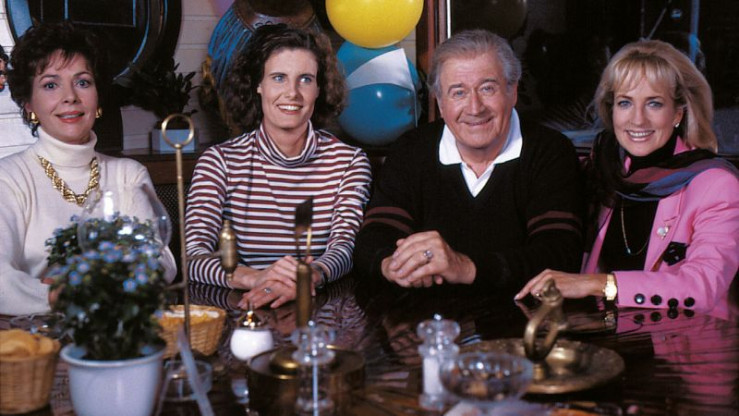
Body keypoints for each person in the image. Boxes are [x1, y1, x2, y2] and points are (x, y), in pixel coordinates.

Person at [516, 40, 739, 317]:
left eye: (654, 104)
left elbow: (701, 288)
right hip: (603, 327)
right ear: (611, 110)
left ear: (678, 113)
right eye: (625, 103)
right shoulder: (604, 169)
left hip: (686, 337)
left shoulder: (717, 185)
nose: (637, 120)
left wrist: (599, 284)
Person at [352, 29, 584, 294]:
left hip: (522, 314)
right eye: (458, 92)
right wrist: (392, 266)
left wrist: (465, 268)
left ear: (512, 91)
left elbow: (560, 255)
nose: (475, 108)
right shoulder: (411, 150)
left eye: (487, 88)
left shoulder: (550, 151)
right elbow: (375, 237)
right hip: (424, 313)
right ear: (440, 103)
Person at [185, 24, 372, 309]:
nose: (292, 93)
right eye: (279, 78)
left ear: (319, 88)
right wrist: (255, 278)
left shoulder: (349, 162)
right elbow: (193, 256)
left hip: (319, 308)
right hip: (243, 308)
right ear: (258, 84)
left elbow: (345, 248)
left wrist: (310, 275)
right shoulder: (219, 162)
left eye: (305, 79)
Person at [0, 22, 177, 315]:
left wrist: (87, 286)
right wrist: (59, 295)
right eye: (50, 85)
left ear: (98, 97)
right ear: (28, 103)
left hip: (119, 326)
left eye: (83, 82)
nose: (70, 96)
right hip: (35, 334)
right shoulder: (8, 178)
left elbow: (161, 261)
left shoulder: (128, 174)